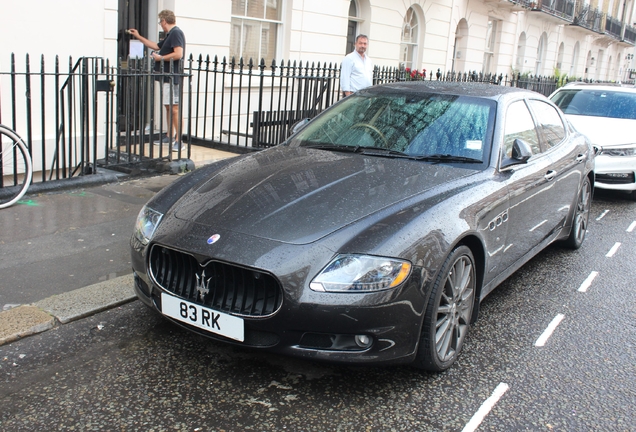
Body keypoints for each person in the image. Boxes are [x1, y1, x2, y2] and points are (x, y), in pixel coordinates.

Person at [129, 10, 186, 152]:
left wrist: (160, 58)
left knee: (174, 108)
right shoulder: (169, 35)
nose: (160, 25)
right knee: (168, 107)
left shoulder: (176, 33)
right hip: (167, 76)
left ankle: (179, 141)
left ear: (164, 21)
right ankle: (169, 135)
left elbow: (179, 53)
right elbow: (155, 46)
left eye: (160, 22)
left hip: (173, 77)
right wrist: (138, 36)